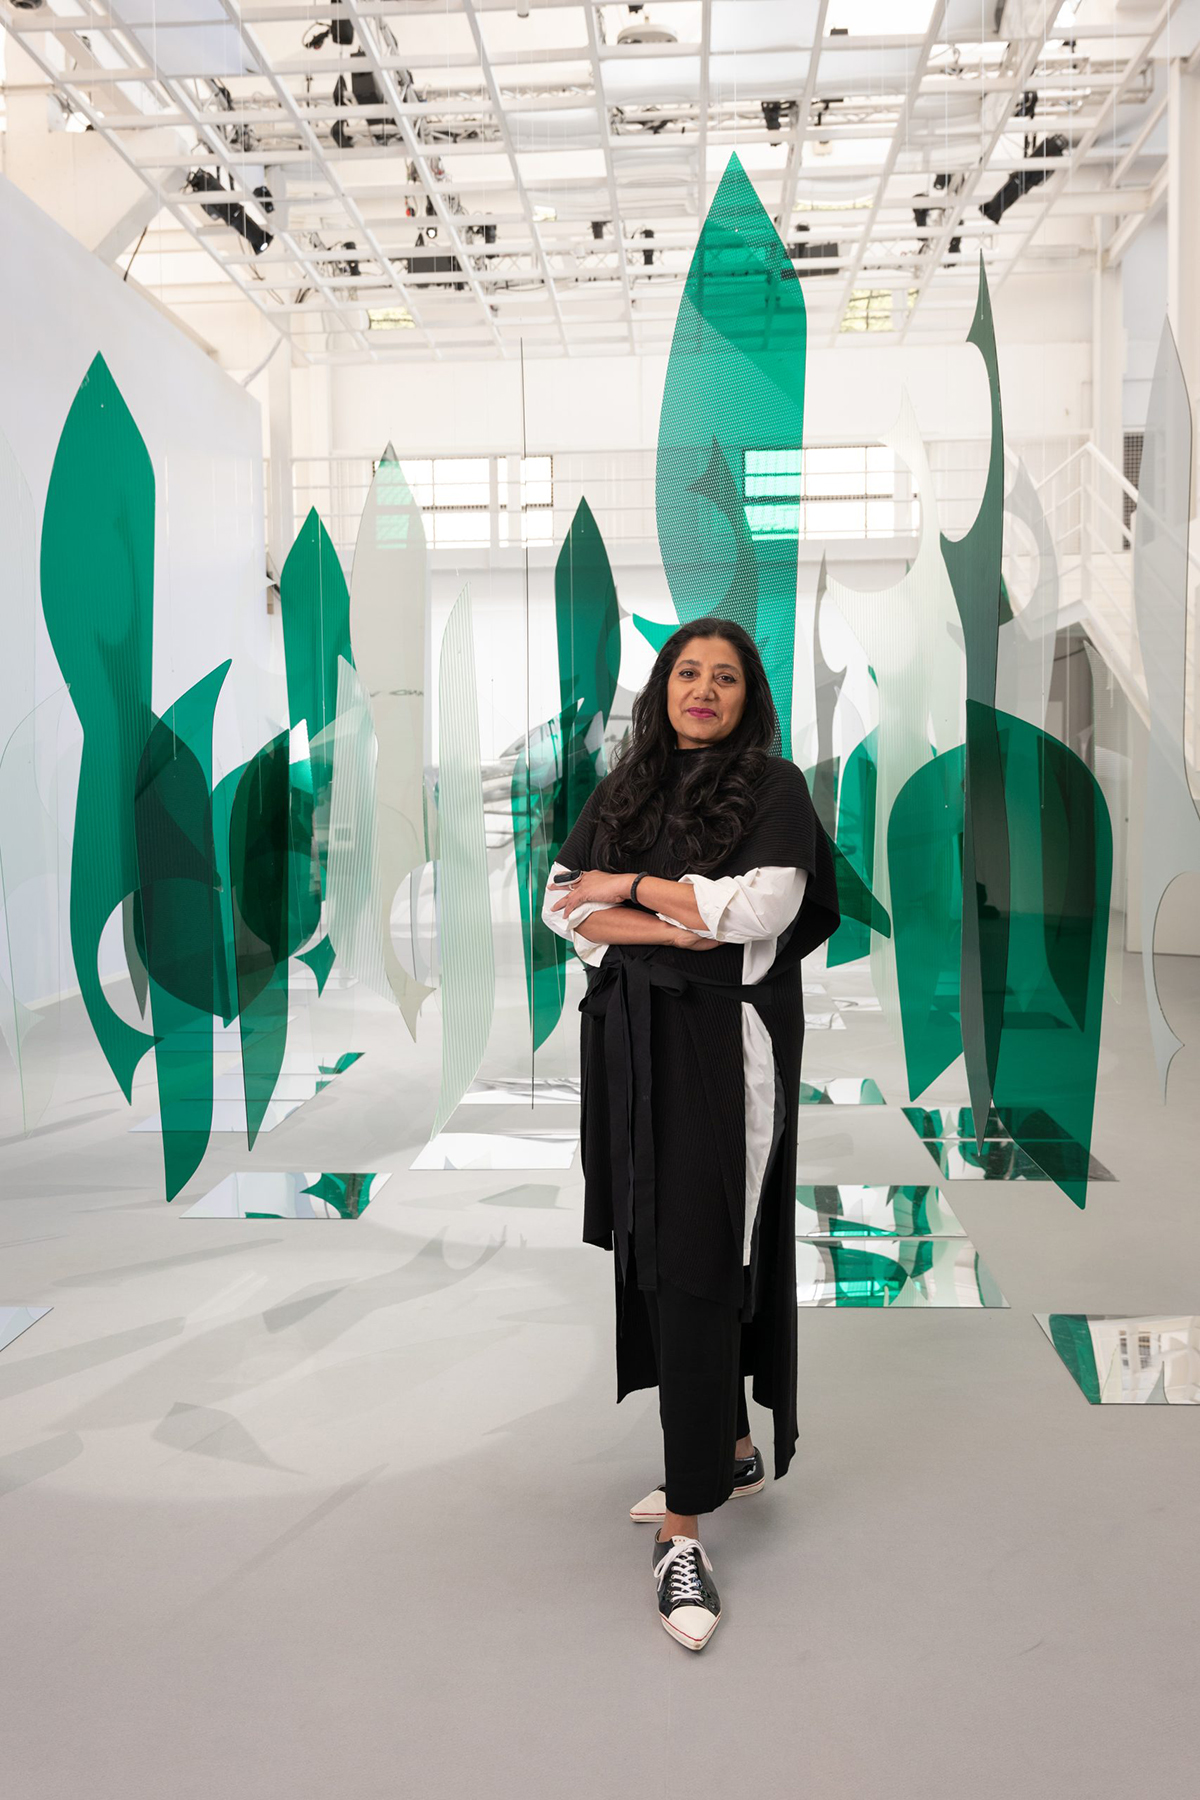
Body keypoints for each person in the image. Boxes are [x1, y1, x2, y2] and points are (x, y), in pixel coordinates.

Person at [541, 616, 840, 1652]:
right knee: (665, 1250)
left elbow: (761, 907)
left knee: (703, 1258)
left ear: (748, 695)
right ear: (661, 688)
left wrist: (621, 887)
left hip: (725, 1055)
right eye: (685, 673)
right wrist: (672, 914)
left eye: (723, 676)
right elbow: (555, 906)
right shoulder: (626, 789)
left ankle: (685, 1526)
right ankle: (728, 1443)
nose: (701, 689)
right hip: (633, 1051)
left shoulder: (775, 788)